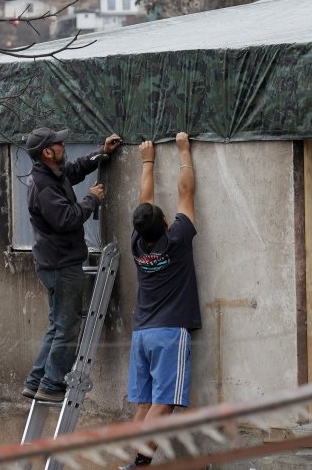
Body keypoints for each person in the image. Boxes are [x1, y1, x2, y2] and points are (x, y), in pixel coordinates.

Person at [21, 126, 121, 403]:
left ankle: (35, 381)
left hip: (55, 262)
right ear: (47, 152)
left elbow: (74, 170)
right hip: (61, 265)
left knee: (56, 326)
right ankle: (52, 384)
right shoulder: (42, 186)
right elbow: (66, 219)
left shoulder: (52, 174)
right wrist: (92, 200)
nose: (64, 147)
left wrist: (100, 153)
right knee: (66, 327)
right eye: (59, 144)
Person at [123, 132, 199, 468]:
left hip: (142, 333)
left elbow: (145, 200)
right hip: (169, 334)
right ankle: (140, 464)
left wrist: (147, 160)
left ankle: (131, 462)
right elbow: (186, 192)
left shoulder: (137, 246)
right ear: (165, 223)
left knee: (143, 405)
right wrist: (184, 151)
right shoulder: (178, 239)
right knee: (163, 404)